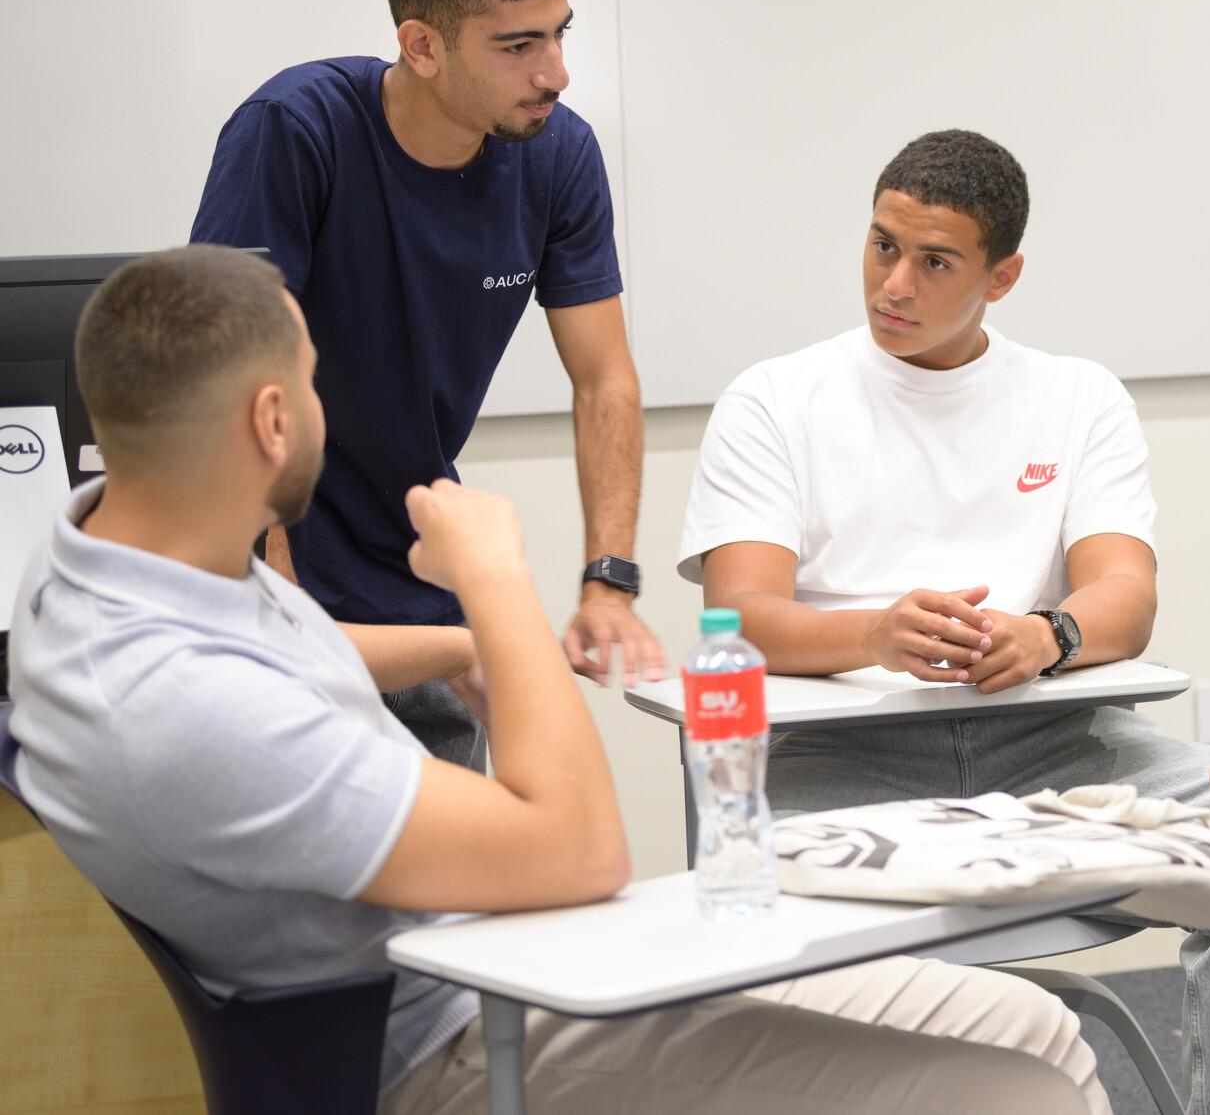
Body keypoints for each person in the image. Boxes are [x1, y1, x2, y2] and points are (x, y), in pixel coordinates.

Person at [6, 245, 1109, 1114]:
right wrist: (493, 584)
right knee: (1017, 1091)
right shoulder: (175, 707)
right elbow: (583, 850)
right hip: (451, 1044)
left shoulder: (115, 561)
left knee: (1030, 1024)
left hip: (499, 960)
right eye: (312, 382)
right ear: (273, 422)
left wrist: (451, 648)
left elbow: (278, 654)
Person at [679, 128, 1210, 1115]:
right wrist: (872, 636)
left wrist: (1049, 635)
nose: (892, 283)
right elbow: (741, 614)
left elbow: (1125, 592)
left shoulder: (1075, 397)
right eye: (879, 245)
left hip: (1052, 748)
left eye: (934, 260)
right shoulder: (776, 399)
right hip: (837, 763)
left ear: (1003, 276)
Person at [190, 0, 661, 772]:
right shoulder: (297, 130)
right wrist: (280, 603)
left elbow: (605, 378)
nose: (554, 71)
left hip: (422, 595)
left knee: (456, 897)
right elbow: (230, 374)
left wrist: (610, 579)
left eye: (560, 33)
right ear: (421, 46)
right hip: (275, 592)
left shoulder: (558, 156)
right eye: (519, 46)